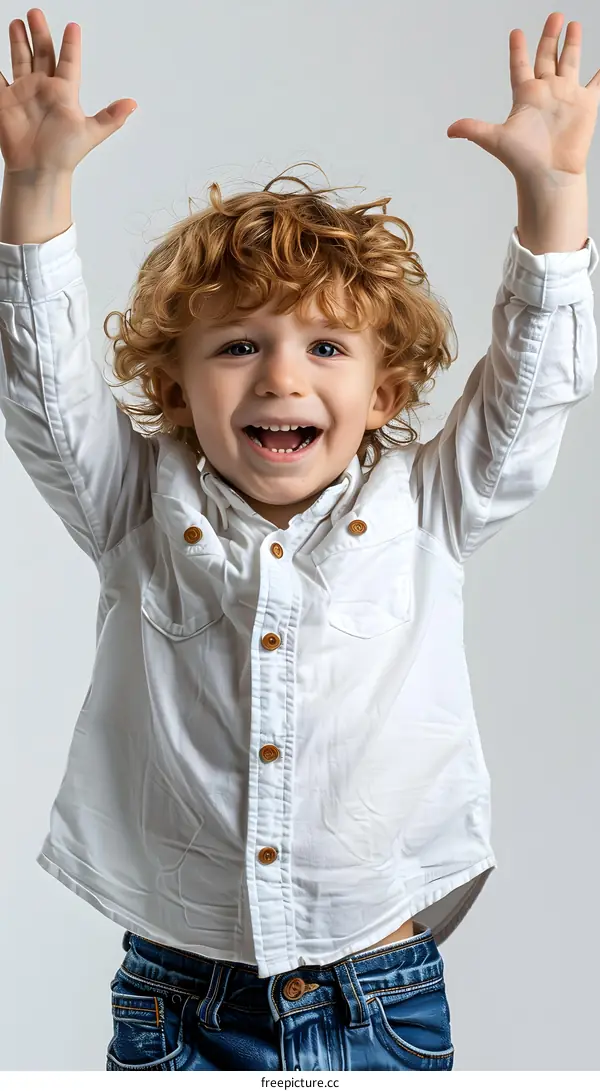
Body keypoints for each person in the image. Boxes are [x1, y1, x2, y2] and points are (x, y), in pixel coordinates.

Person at [0, 7, 597, 1073]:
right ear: (174, 387)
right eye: (239, 345)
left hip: (379, 988)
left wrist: (552, 203)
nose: (281, 376)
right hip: (178, 996)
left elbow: (530, 392)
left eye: (326, 346)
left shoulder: (429, 505)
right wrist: (37, 188)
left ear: (386, 392)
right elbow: (42, 391)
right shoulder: (135, 506)